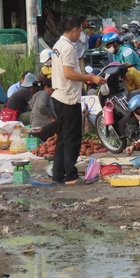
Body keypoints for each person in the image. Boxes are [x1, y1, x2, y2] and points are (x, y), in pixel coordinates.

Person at [51, 16, 106, 184]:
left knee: (62, 137)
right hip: (68, 98)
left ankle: (58, 173)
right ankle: (71, 175)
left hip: (59, 95)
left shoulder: (57, 46)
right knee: (72, 138)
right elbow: (68, 73)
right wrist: (90, 78)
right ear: (74, 29)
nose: (80, 34)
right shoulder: (68, 47)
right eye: (80, 31)